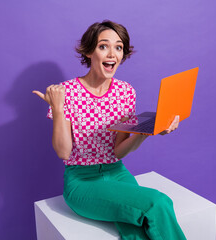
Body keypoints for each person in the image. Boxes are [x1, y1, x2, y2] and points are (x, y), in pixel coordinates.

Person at [33, 20, 186, 240]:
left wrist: (145, 132)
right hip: (82, 182)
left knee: (135, 231)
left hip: (118, 172)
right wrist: (57, 108)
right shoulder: (66, 92)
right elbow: (63, 152)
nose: (112, 53)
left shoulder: (125, 92)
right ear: (88, 52)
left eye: (119, 47)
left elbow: (118, 152)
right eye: (103, 46)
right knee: (159, 202)